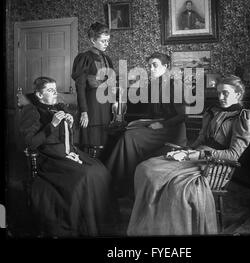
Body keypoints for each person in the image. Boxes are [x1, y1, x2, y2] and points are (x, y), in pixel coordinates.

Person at [127, 75, 250, 235]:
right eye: (219, 93)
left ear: (237, 94)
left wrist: (197, 154)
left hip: (217, 165)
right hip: (194, 156)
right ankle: (154, 224)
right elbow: (200, 139)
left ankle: (174, 229)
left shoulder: (242, 117)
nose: (220, 97)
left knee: (177, 186)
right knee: (146, 168)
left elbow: (233, 154)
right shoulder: (212, 111)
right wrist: (185, 150)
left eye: (225, 93)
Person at [18, 77, 119, 237]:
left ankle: (101, 223)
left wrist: (70, 125)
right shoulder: (32, 111)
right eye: (50, 91)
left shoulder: (59, 107)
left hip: (68, 153)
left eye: (55, 90)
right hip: (50, 158)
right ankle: (86, 227)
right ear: (39, 95)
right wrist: (53, 125)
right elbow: (31, 143)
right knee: (86, 175)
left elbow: (66, 138)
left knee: (100, 170)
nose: (55, 94)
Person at [104, 52, 187, 196]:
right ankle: (113, 180)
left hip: (171, 130)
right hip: (157, 124)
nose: (151, 69)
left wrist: (162, 125)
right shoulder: (153, 84)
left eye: (155, 66)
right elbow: (153, 114)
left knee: (130, 137)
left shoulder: (175, 85)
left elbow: (182, 115)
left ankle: (119, 183)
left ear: (166, 66)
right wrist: (140, 122)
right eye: (149, 66)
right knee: (126, 130)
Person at [71, 22, 113, 157]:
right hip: (92, 104)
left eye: (108, 40)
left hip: (105, 104)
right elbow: (80, 86)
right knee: (91, 137)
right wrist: (84, 112)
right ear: (93, 40)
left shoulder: (107, 59)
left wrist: (114, 102)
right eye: (103, 41)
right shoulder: (84, 58)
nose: (106, 44)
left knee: (104, 136)